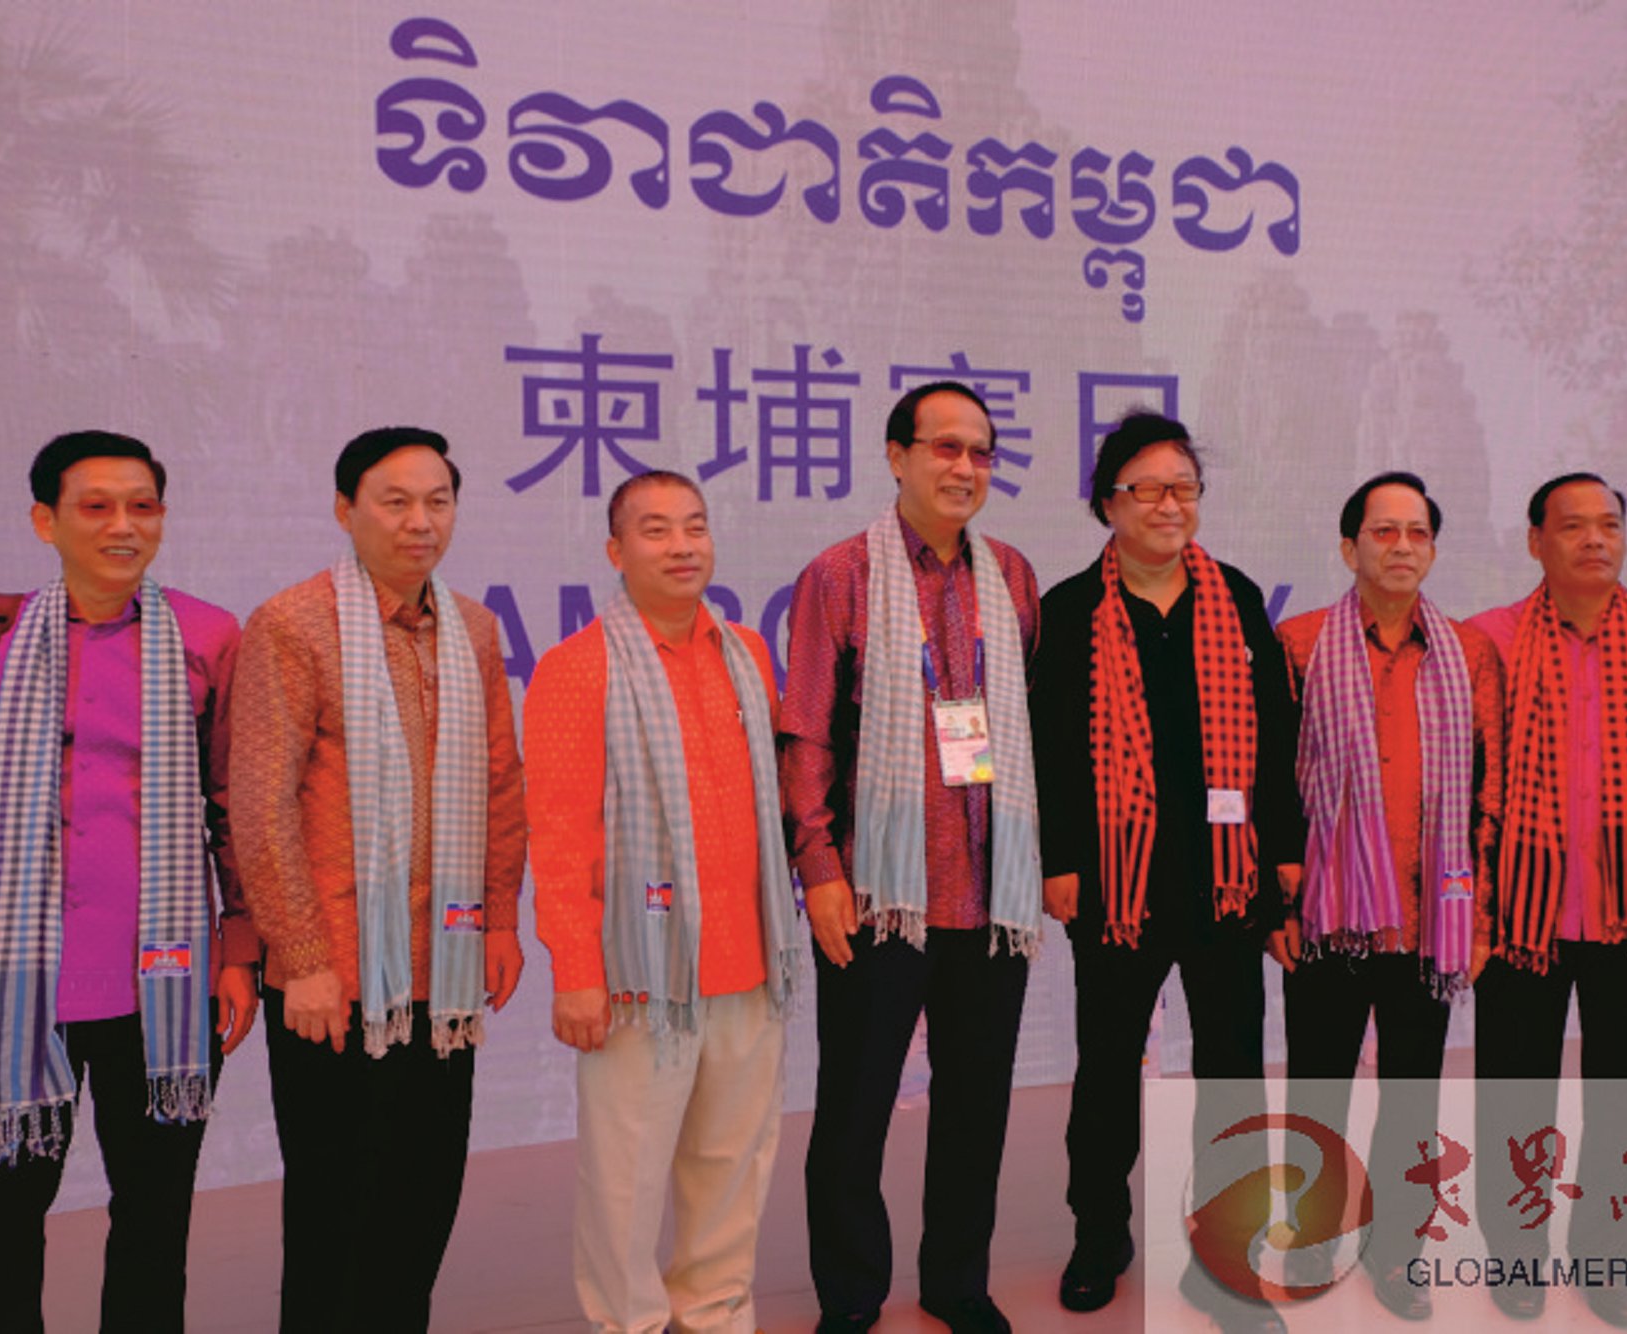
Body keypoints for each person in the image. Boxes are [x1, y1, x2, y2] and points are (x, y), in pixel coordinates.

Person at [0, 430, 254, 1334]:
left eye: (143, 506)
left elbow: (233, 804)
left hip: (160, 976)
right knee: (1, 1229)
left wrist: (239, 950)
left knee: (155, 1223)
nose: (124, 525)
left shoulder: (208, 635)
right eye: (96, 506)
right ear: (45, 521)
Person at [231, 426, 527, 1333]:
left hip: (446, 965)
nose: (419, 522)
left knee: (422, 1195)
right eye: (395, 502)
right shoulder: (292, 624)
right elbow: (262, 802)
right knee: (335, 1205)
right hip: (336, 972)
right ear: (345, 510)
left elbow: (500, 784)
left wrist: (501, 921)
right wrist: (303, 958)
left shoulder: (474, 626)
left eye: (437, 501)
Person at [781, 381, 1041, 1334]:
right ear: (897, 457)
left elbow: (1019, 730)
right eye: (944, 447)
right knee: (855, 1110)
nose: (964, 467)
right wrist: (819, 870)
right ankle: (852, 1296)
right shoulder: (840, 575)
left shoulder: (1011, 575)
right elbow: (807, 734)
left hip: (988, 890)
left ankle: (956, 1282)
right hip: (879, 892)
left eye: (980, 451)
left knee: (977, 1104)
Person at [1029, 411, 1301, 1319]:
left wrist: (1284, 852)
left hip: (1225, 879)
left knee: (1232, 1068)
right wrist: (1061, 859)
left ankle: (1231, 1238)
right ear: (1107, 503)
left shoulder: (1236, 597)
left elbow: (1275, 739)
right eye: (1145, 489)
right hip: (1119, 884)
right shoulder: (1071, 611)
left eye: (1183, 487)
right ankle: (1099, 1234)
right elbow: (1051, 748)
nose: (1167, 505)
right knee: (1108, 1068)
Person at [525, 470, 802, 1334]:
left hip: (748, 960)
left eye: (695, 526)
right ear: (616, 551)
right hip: (638, 975)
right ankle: (629, 1324)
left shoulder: (747, 653)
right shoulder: (577, 669)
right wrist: (576, 971)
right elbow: (559, 837)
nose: (682, 546)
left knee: (732, 1166)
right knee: (628, 1179)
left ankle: (715, 1315)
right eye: (656, 530)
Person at [1467, 472, 1627, 1328]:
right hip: (1520, 914)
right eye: (1572, 525)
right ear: (1534, 541)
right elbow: (1465, 788)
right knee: (1514, 1091)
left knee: (1626, 1094)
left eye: (1609, 524)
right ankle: (1515, 1255)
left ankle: (1607, 1257)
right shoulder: (1488, 641)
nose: (1594, 540)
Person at [1274, 470, 1503, 1319]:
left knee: (1413, 1094)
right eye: (1384, 531)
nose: (1402, 546)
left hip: (1428, 915)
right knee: (1318, 1088)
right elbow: (1272, 785)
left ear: (1433, 550)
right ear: (1349, 548)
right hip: (1327, 916)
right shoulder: (1299, 644)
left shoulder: (1469, 655)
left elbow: (1488, 794)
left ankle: (1401, 1251)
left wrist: (1477, 915)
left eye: (1417, 533)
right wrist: (1276, 906)